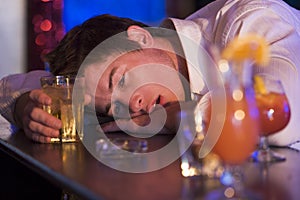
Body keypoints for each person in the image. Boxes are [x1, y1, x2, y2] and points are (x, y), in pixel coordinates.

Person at [1, 0, 300, 147]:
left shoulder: (247, 21)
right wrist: (24, 104)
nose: (131, 107)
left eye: (120, 79)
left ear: (140, 38)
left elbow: (279, 120)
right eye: (113, 107)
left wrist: (178, 117)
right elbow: (7, 86)